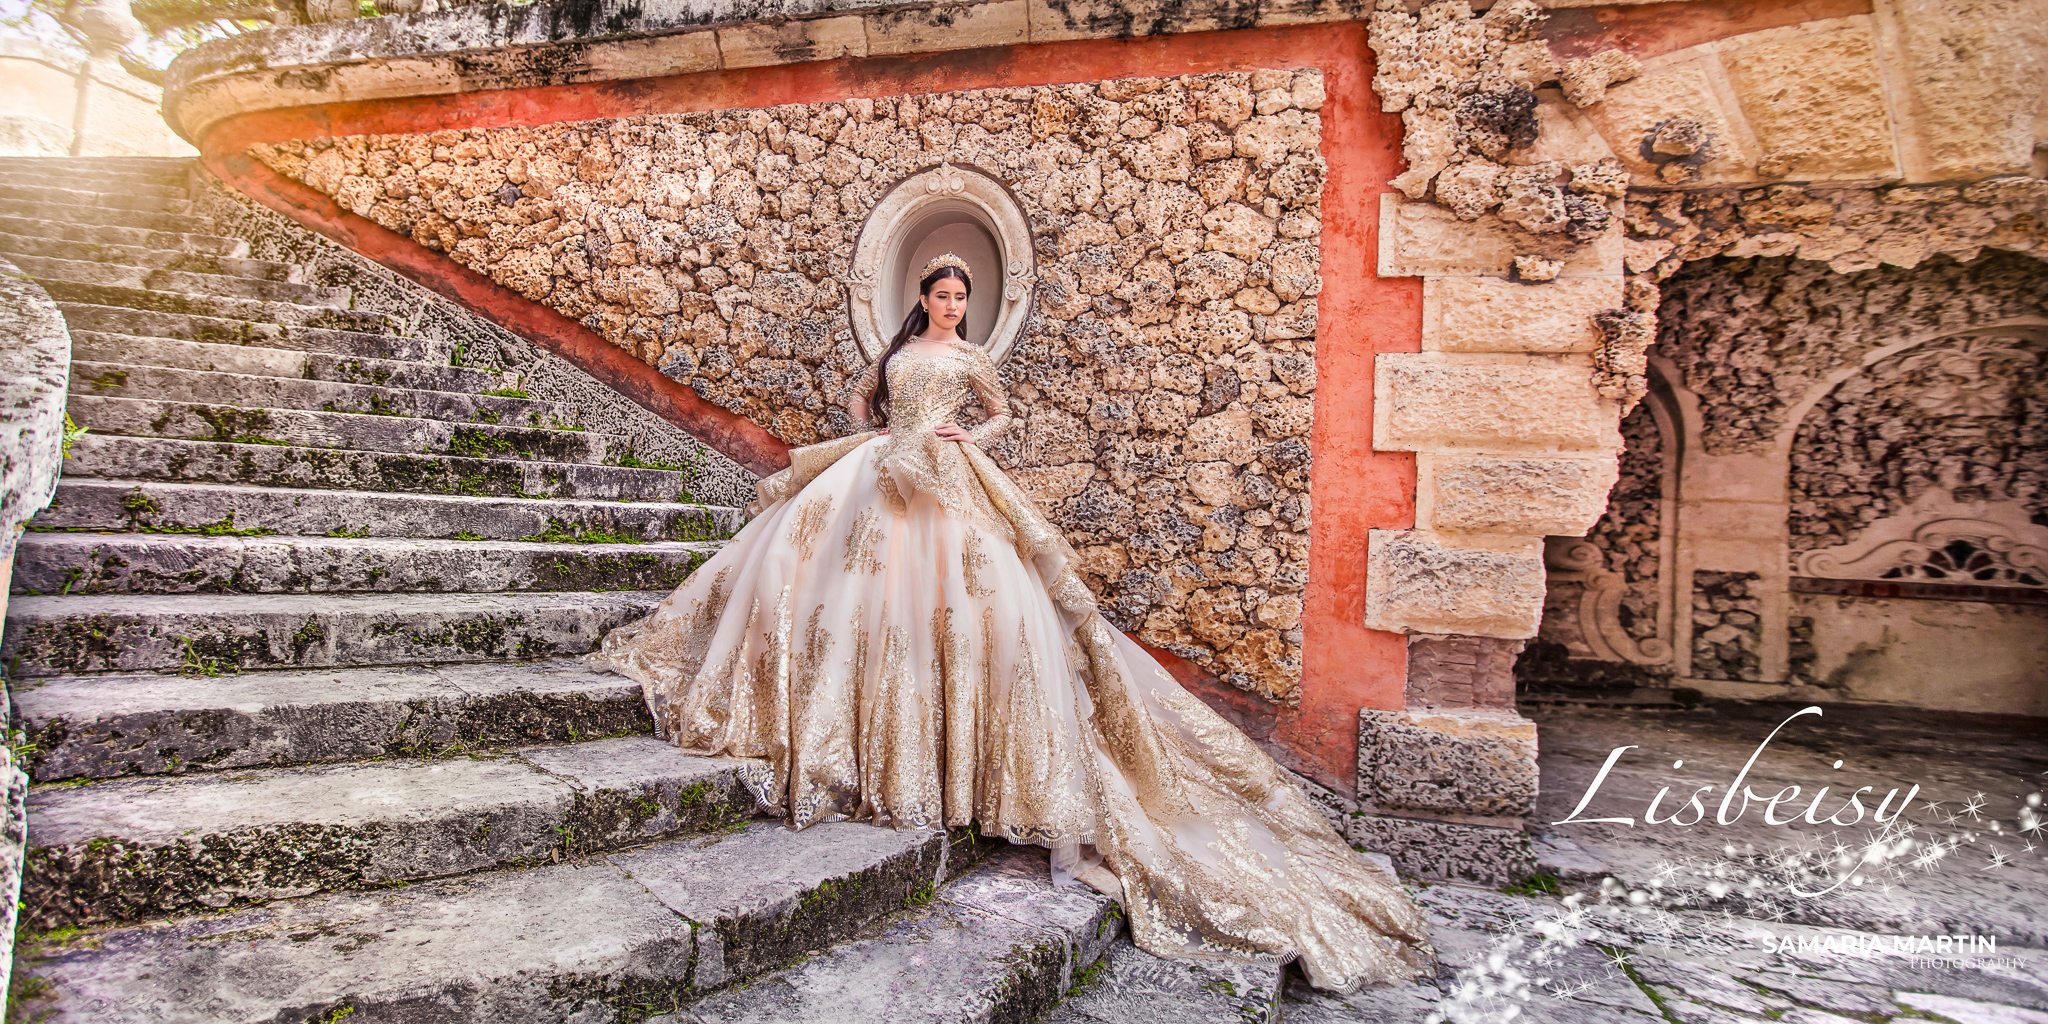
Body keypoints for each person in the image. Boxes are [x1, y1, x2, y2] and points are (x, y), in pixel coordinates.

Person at [591, 253, 1430, 991]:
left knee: (975, 613)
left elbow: (1003, 412)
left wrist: (966, 437)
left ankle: (961, 766)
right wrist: (882, 431)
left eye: (962, 297)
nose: (953, 306)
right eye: (944, 295)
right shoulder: (897, 352)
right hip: (880, 472)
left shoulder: (970, 356)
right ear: (922, 297)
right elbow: (860, 397)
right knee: (824, 589)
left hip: (950, 480)